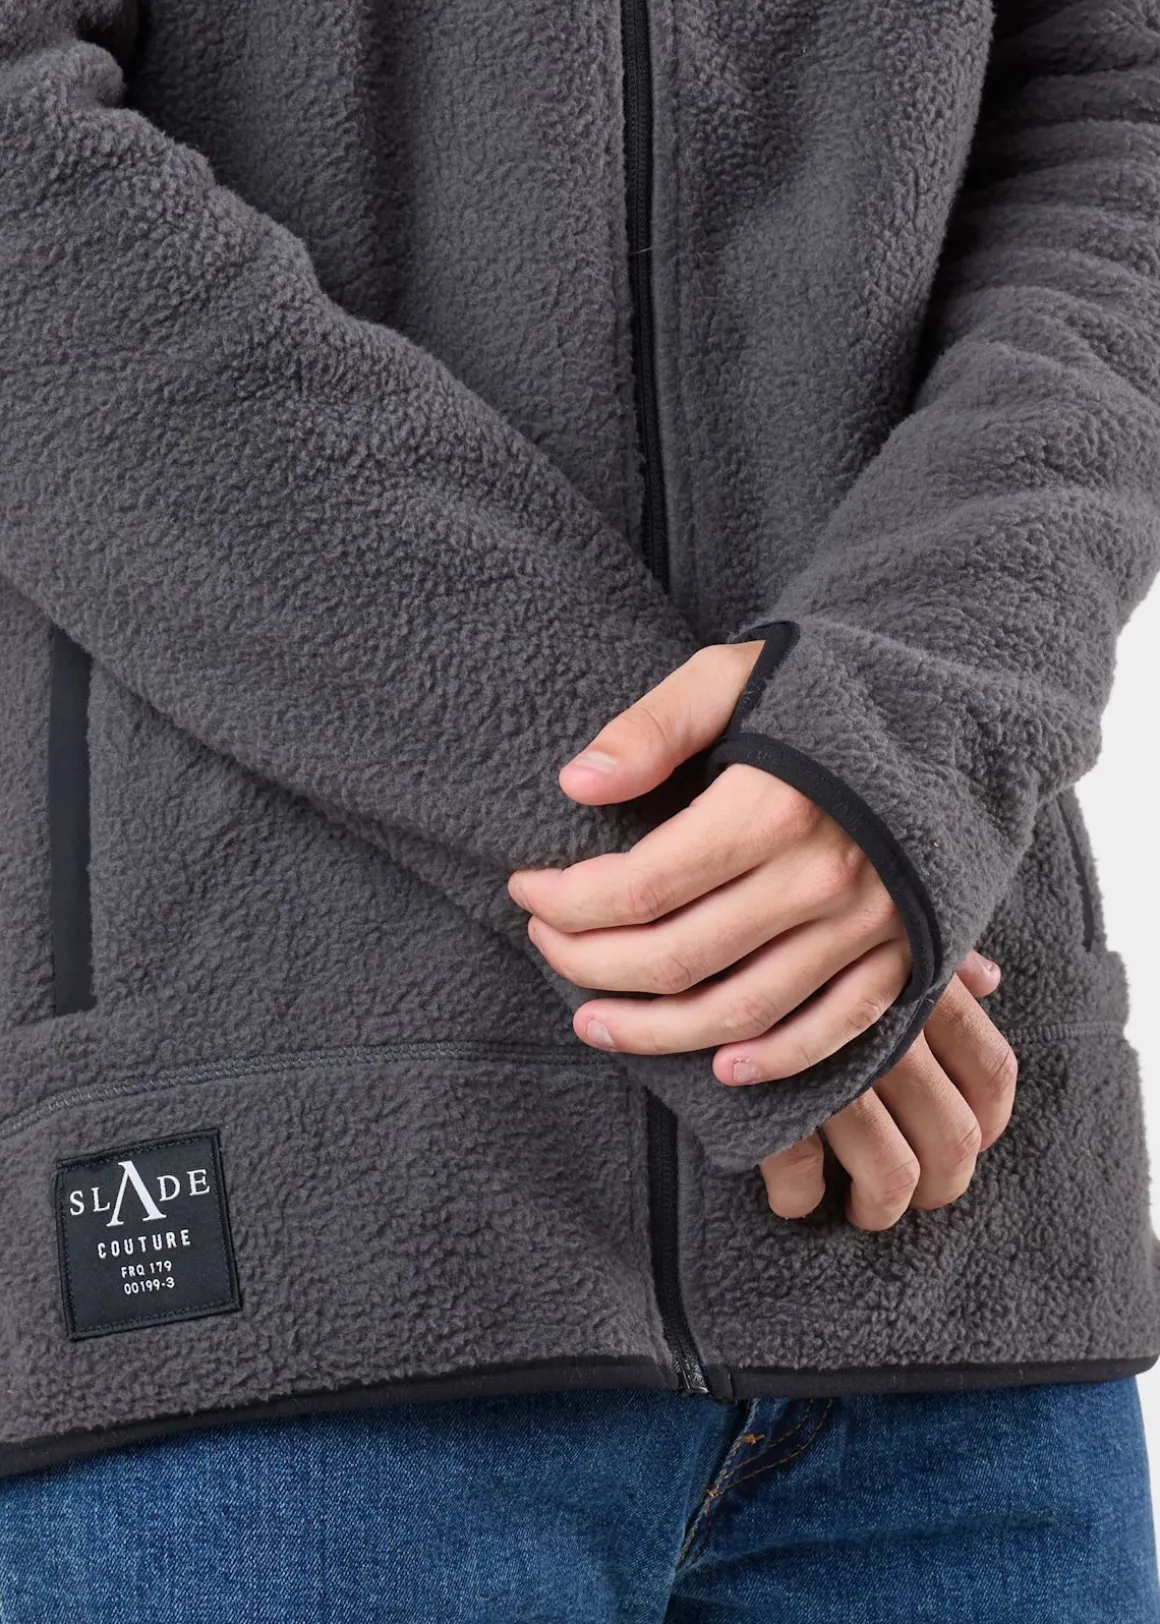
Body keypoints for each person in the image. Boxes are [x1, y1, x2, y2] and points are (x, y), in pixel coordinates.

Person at [0, 0, 1157, 1617]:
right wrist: (721, 870)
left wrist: (919, 714)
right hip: (290, 1274)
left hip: (952, 1285)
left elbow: (1121, 106)